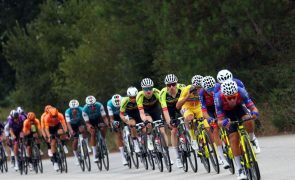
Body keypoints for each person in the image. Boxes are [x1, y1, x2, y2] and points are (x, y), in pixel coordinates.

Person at [214, 80, 259, 180]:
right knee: (234, 138)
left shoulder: (241, 92)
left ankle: (252, 139)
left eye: (234, 97)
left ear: (237, 93)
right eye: (229, 98)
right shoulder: (218, 98)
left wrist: (255, 114)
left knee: (248, 119)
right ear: (224, 96)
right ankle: (239, 170)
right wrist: (224, 122)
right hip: (226, 113)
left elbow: (254, 109)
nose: (232, 100)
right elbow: (219, 121)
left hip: (239, 108)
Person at [215, 69, 260, 153]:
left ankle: (252, 138)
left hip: (239, 104)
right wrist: (221, 120)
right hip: (225, 109)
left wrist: (253, 112)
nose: (226, 84)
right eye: (222, 83)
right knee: (233, 136)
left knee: (247, 118)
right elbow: (217, 106)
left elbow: (246, 99)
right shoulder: (216, 90)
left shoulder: (238, 84)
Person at [200, 76, 229, 169]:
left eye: (212, 88)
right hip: (210, 110)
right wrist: (209, 119)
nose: (211, 91)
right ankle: (221, 156)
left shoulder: (219, 87)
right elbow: (204, 111)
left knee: (227, 123)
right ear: (204, 89)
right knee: (215, 129)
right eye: (209, 90)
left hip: (220, 106)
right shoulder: (201, 93)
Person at [176, 75, 208, 150]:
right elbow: (178, 106)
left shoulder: (204, 90)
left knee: (207, 126)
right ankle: (193, 138)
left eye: (200, 87)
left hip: (198, 108)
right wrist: (187, 96)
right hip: (187, 107)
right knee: (190, 118)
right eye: (197, 88)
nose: (199, 90)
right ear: (193, 87)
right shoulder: (186, 89)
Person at [160, 74, 185, 168]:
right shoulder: (163, 93)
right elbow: (165, 110)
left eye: (173, 84)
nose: (171, 87)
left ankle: (190, 137)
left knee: (188, 119)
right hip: (170, 110)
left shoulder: (182, 88)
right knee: (174, 130)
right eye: (169, 85)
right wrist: (169, 121)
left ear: (177, 83)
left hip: (181, 107)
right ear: (166, 86)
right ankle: (177, 157)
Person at [136, 78, 169, 151]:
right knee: (149, 122)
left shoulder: (157, 92)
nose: (148, 91)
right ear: (142, 89)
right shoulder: (139, 96)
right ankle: (149, 138)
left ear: (152, 88)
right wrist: (145, 120)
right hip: (146, 111)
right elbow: (141, 113)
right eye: (146, 89)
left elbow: (164, 105)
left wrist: (166, 118)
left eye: (150, 88)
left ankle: (166, 152)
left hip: (155, 110)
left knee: (162, 131)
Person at [82, 95, 109, 163]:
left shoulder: (99, 105)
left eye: (94, 105)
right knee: (93, 133)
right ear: (87, 105)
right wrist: (90, 127)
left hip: (98, 119)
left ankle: (103, 141)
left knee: (103, 128)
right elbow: (87, 123)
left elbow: (104, 117)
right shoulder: (84, 110)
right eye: (90, 106)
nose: (92, 107)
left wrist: (107, 124)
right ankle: (94, 154)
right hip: (90, 122)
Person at [65, 99, 90, 165]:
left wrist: (87, 125)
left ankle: (86, 145)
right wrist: (71, 130)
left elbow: (85, 119)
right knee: (75, 140)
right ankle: (76, 156)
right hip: (72, 125)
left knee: (83, 130)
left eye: (76, 108)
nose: (74, 110)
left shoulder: (81, 109)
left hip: (79, 123)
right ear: (70, 108)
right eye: (72, 109)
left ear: (78, 107)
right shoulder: (67, 112)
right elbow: (68, 123)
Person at [120, 87, 141, 155]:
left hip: (138, 113)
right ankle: (135, 143)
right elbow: (121, 114)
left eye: (135, 97)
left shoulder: (140, 98)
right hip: (129, 114)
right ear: (128, 96)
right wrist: (125, 120)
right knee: (133, 125)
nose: (133, 99)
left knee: (144, 127)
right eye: (131, 97)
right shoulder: (124, 100)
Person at [107, 94, 127, 165]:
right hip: (115, 117)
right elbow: (111, 118)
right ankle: (123, 156)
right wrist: (114, 122)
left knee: (131, 125)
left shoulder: (125, 100)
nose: (118, 107)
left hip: (124, 114)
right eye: (117, 107)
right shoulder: (109, 104)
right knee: (118, 134)